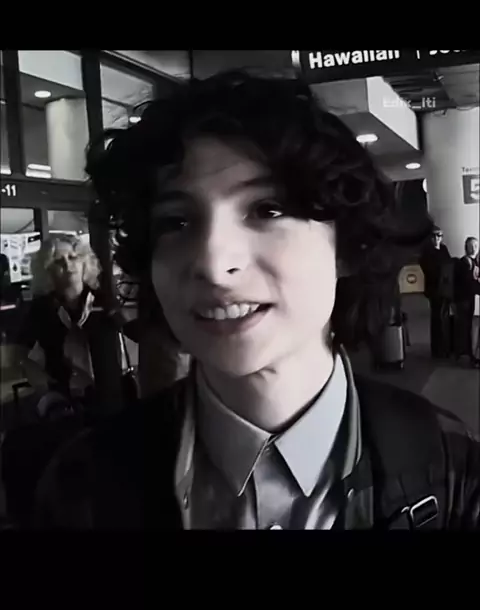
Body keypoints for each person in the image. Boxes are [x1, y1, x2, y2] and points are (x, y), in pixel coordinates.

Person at [33, 71, 480, 530]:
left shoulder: (447, 466)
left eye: (267, 209)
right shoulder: (86, 486)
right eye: (176, 221)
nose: (213, 263)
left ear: (345, 245)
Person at [13, 234, 130, 418]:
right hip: (64, 404)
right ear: (47, 270)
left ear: (84, 262)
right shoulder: (41, 309)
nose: (68, 265)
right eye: (58, 261)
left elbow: (133, 335)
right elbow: (21, 356)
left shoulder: (104, 302)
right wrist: (46, 393)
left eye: (73, 257)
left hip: (113, 398)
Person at [419, 227, 453, 358]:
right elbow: (428, 269)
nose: (436, 239)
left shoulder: (443, 249)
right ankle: (437, 349)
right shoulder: (427, 252)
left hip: (445, 288)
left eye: (439, 236)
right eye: (434, 236)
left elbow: (449, 264)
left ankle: (445, 346)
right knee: (437, 318)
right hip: (434, 289)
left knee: (444, 317)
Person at [453, 236, 480, 367]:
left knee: (468, 326)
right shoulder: (465, 263)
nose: (474, 248)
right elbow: (468, 283)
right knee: (466, 327)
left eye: (476, 246)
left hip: (469, 299)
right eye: (471, 246)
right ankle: (468, 354)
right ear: (466, 248)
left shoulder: (474, 262)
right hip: (464, 299)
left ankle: (466, 353)